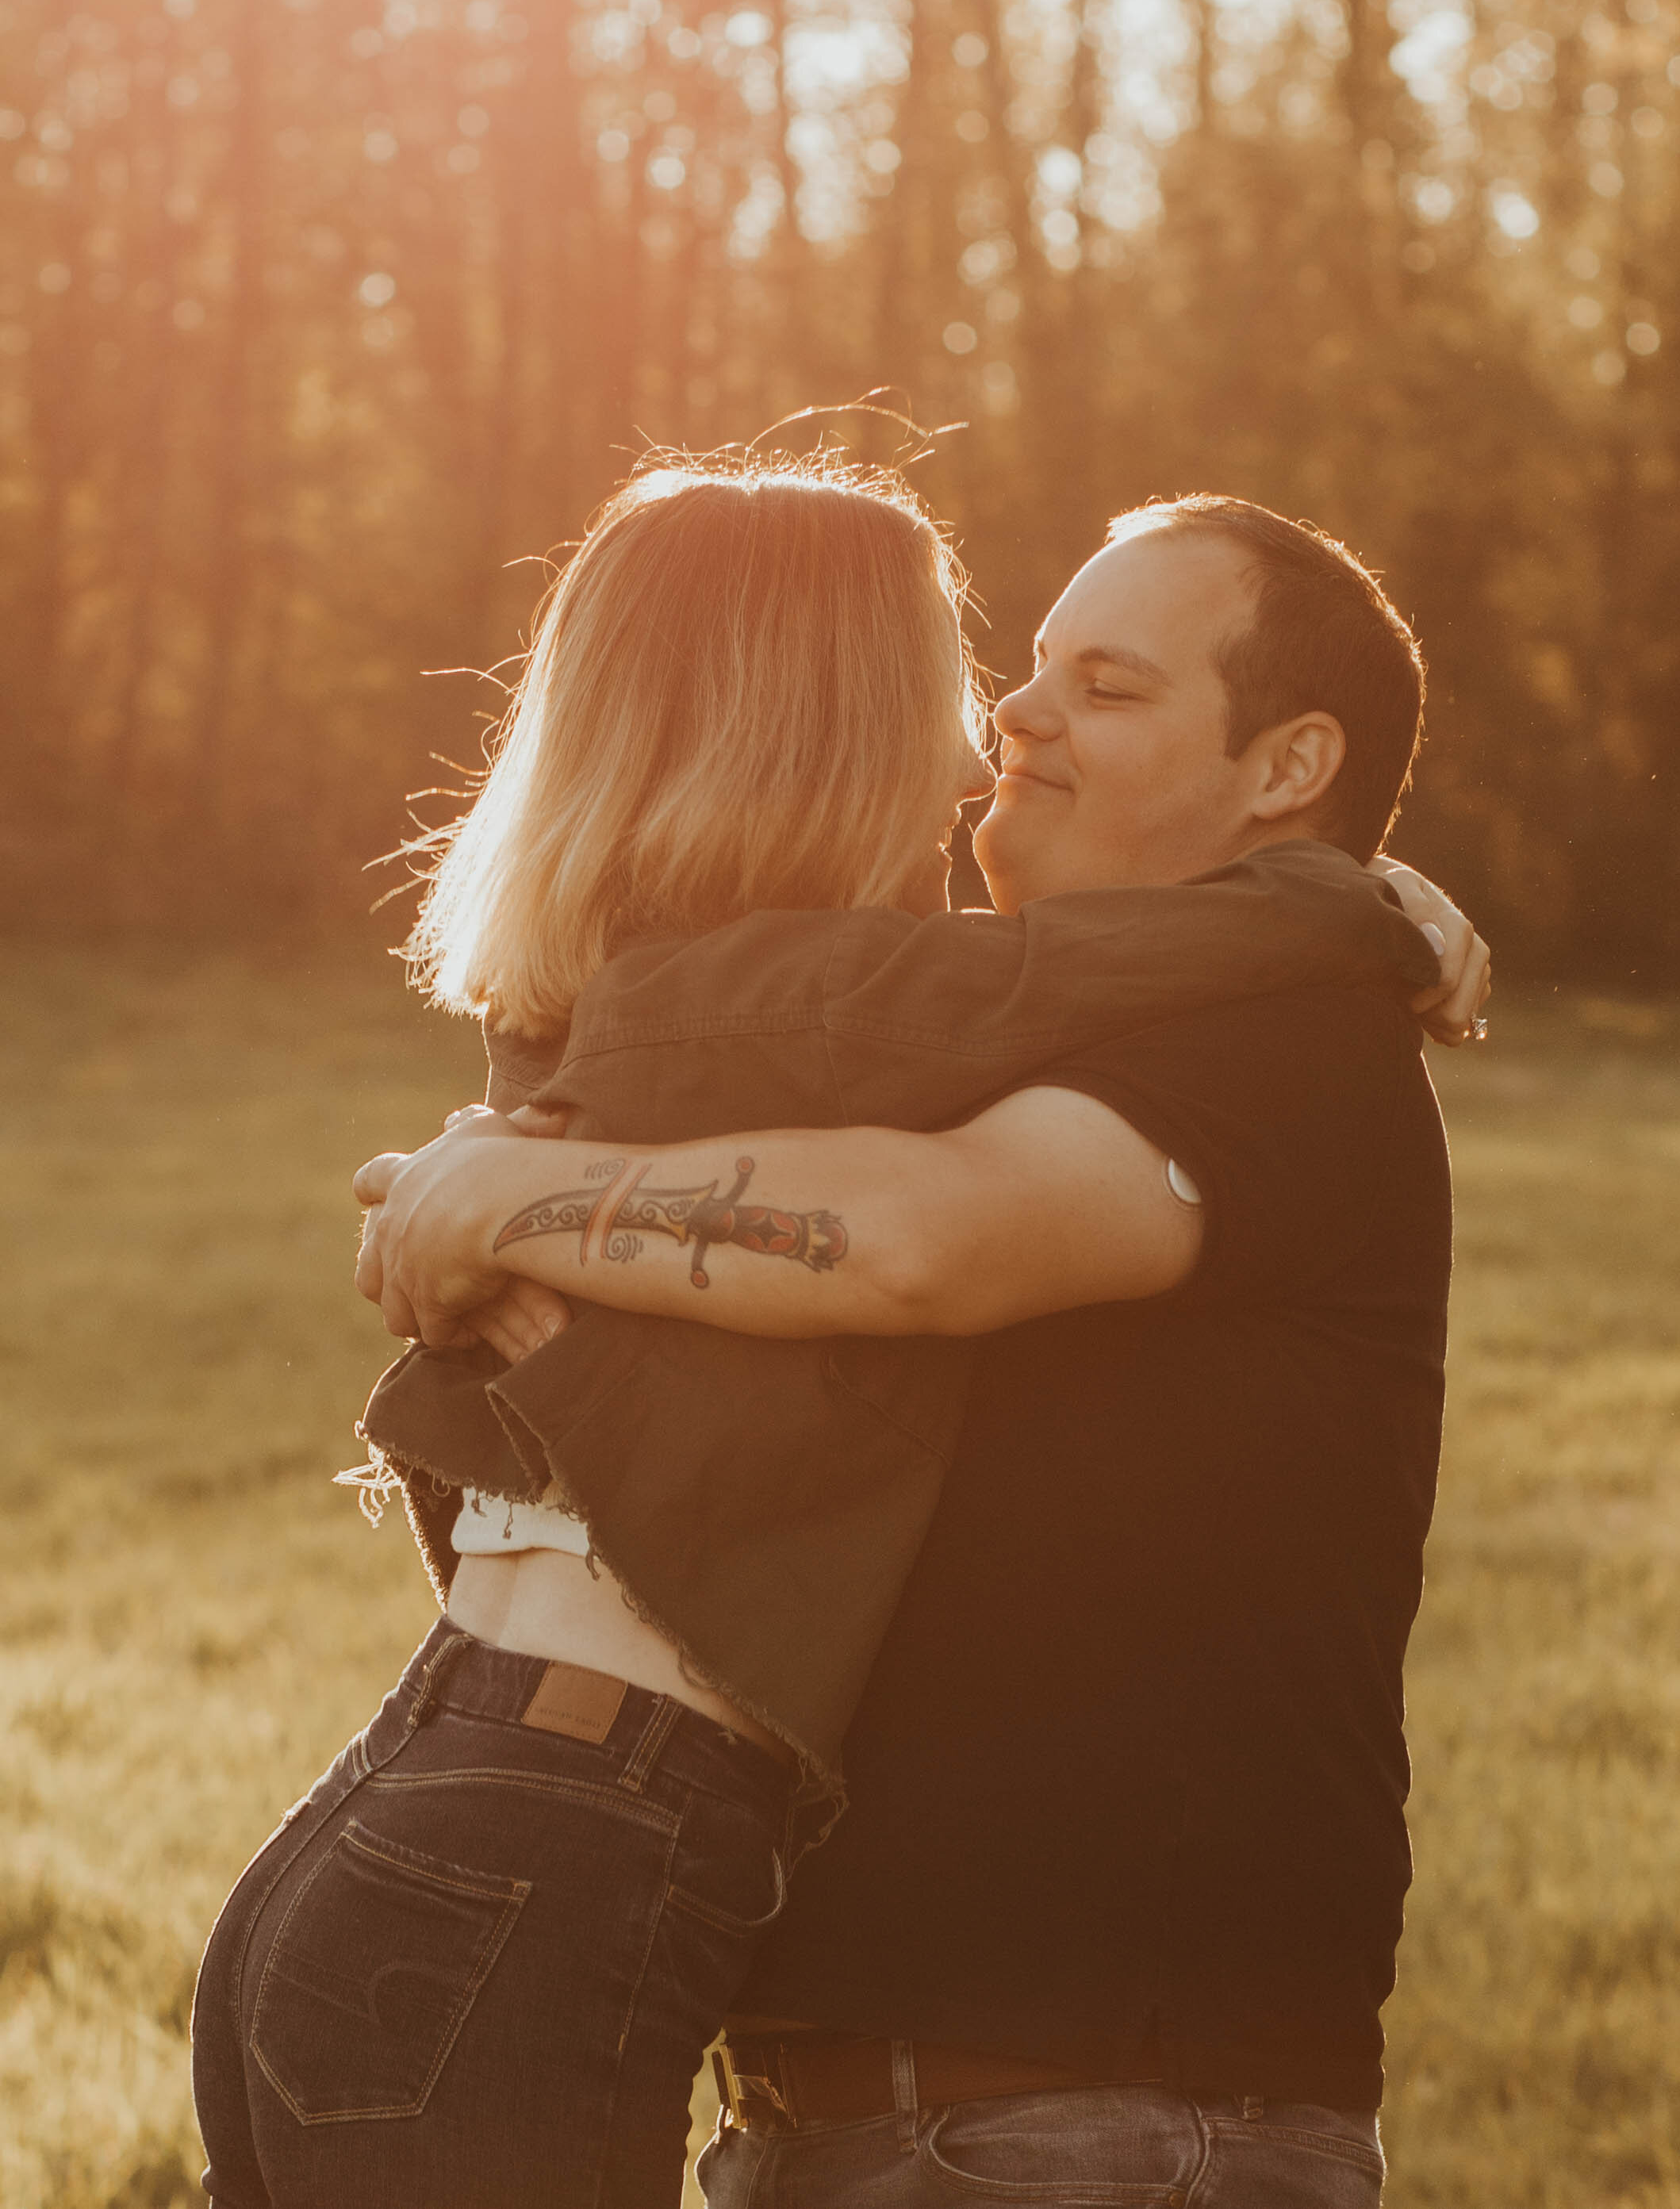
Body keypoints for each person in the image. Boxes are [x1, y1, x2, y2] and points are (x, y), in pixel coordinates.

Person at [192, 462, 1475, 2209]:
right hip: (787, 2035)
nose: (1000, 731)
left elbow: (920, 1236)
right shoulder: (841, 1019)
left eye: (1102, 686)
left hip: (1069, 2103)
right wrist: (1344, 900)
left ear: (1286, 765)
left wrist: (1344, 910)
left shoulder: (1269, 1038)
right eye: (1004, 675)